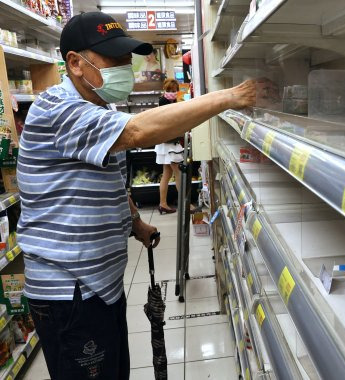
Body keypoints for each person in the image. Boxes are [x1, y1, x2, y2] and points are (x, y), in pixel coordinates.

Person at [16, 12, 255, 380]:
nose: (127, 66)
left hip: (99, 284)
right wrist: (228, 96)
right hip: (70, 289)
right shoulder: (57, 109)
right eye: (115, 58)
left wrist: (136, 222)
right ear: (75, 64)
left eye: (128, 57)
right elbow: (137, 132)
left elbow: (107, 177)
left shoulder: (97, 106)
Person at [155, 78, 182, 214]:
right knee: (178, 172)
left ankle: (163, 204)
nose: (172, 93)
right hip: (170, 143)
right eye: (169, 91)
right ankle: (185, 204)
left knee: (167, 173)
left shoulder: (169, 102)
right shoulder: (164, 103)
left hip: (165, 142)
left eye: (174, 90)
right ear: (165, 90)